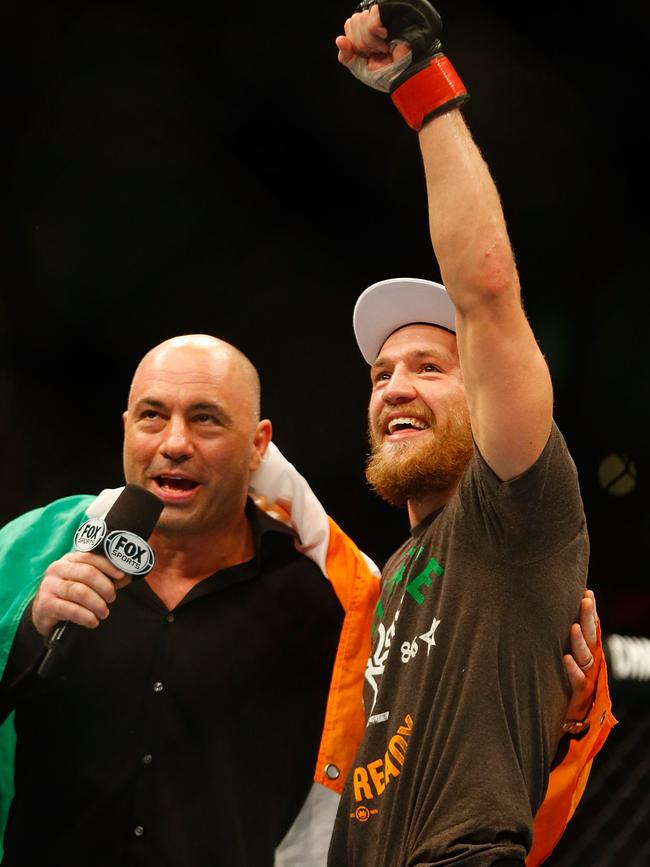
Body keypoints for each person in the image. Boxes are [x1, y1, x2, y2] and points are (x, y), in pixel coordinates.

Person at [0, 333, 608, 867]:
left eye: (206, 419)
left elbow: (441, 744)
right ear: (127, 428)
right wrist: (26, 631)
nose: (175, 442)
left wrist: (553, 713)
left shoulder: (329, 605)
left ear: (259, 445)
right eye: (153, 416)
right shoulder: (39, 562)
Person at [326, 1, 617, 865]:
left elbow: (485, 289)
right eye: (381, 375)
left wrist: (423, 89)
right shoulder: (403, 574)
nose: (397, 387)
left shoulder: (512, 510)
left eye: (428, 366)